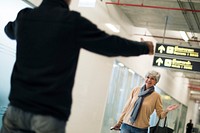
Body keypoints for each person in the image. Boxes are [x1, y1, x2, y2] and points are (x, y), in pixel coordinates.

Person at [1, 0, 155, 133]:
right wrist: (144, 47)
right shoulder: (71, 22)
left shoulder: (25, 17)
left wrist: (22, 28)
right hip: (48, 115)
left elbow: (9, 30)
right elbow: (110, 45)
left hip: (15, 110)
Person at [111, 70, 179, 133]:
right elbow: (126, 108)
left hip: (141, 129)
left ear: (156, 82)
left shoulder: (156, 96)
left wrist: (167, 110)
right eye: (148, 77)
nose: (149, 80)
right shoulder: (136, 90)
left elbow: (160, 116)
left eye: (152, 78)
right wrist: (119, 122)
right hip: (126, 126)